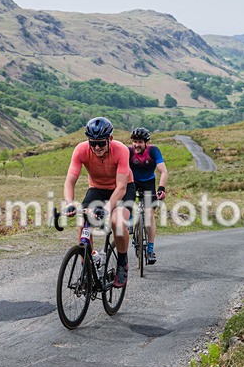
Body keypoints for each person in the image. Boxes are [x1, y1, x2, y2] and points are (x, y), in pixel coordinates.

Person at [63, 117, 136, 288]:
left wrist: (106, 208)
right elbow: (69, 181)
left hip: (123, 189)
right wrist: (69, 203)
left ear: (110, 139)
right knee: (83, 222)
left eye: (101, 143)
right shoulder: (81, 150)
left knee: (117, 222)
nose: (97, 148)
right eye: (93, 143)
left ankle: (122, 263)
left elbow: (121, 187)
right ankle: (86, 270)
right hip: (97, 189)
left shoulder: (121, 150)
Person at [128, 127, 168, 264]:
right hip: (132, 181)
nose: (136, 145)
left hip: (148, 183)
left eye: (140, 142)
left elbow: (163, 171)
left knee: (149, 215)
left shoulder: (153, 151)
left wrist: (161, 188)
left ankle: (150, 249)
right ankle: (130, 219)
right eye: (134, 142)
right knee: (126, 201)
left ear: (146, 142)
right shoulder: (128, 151)